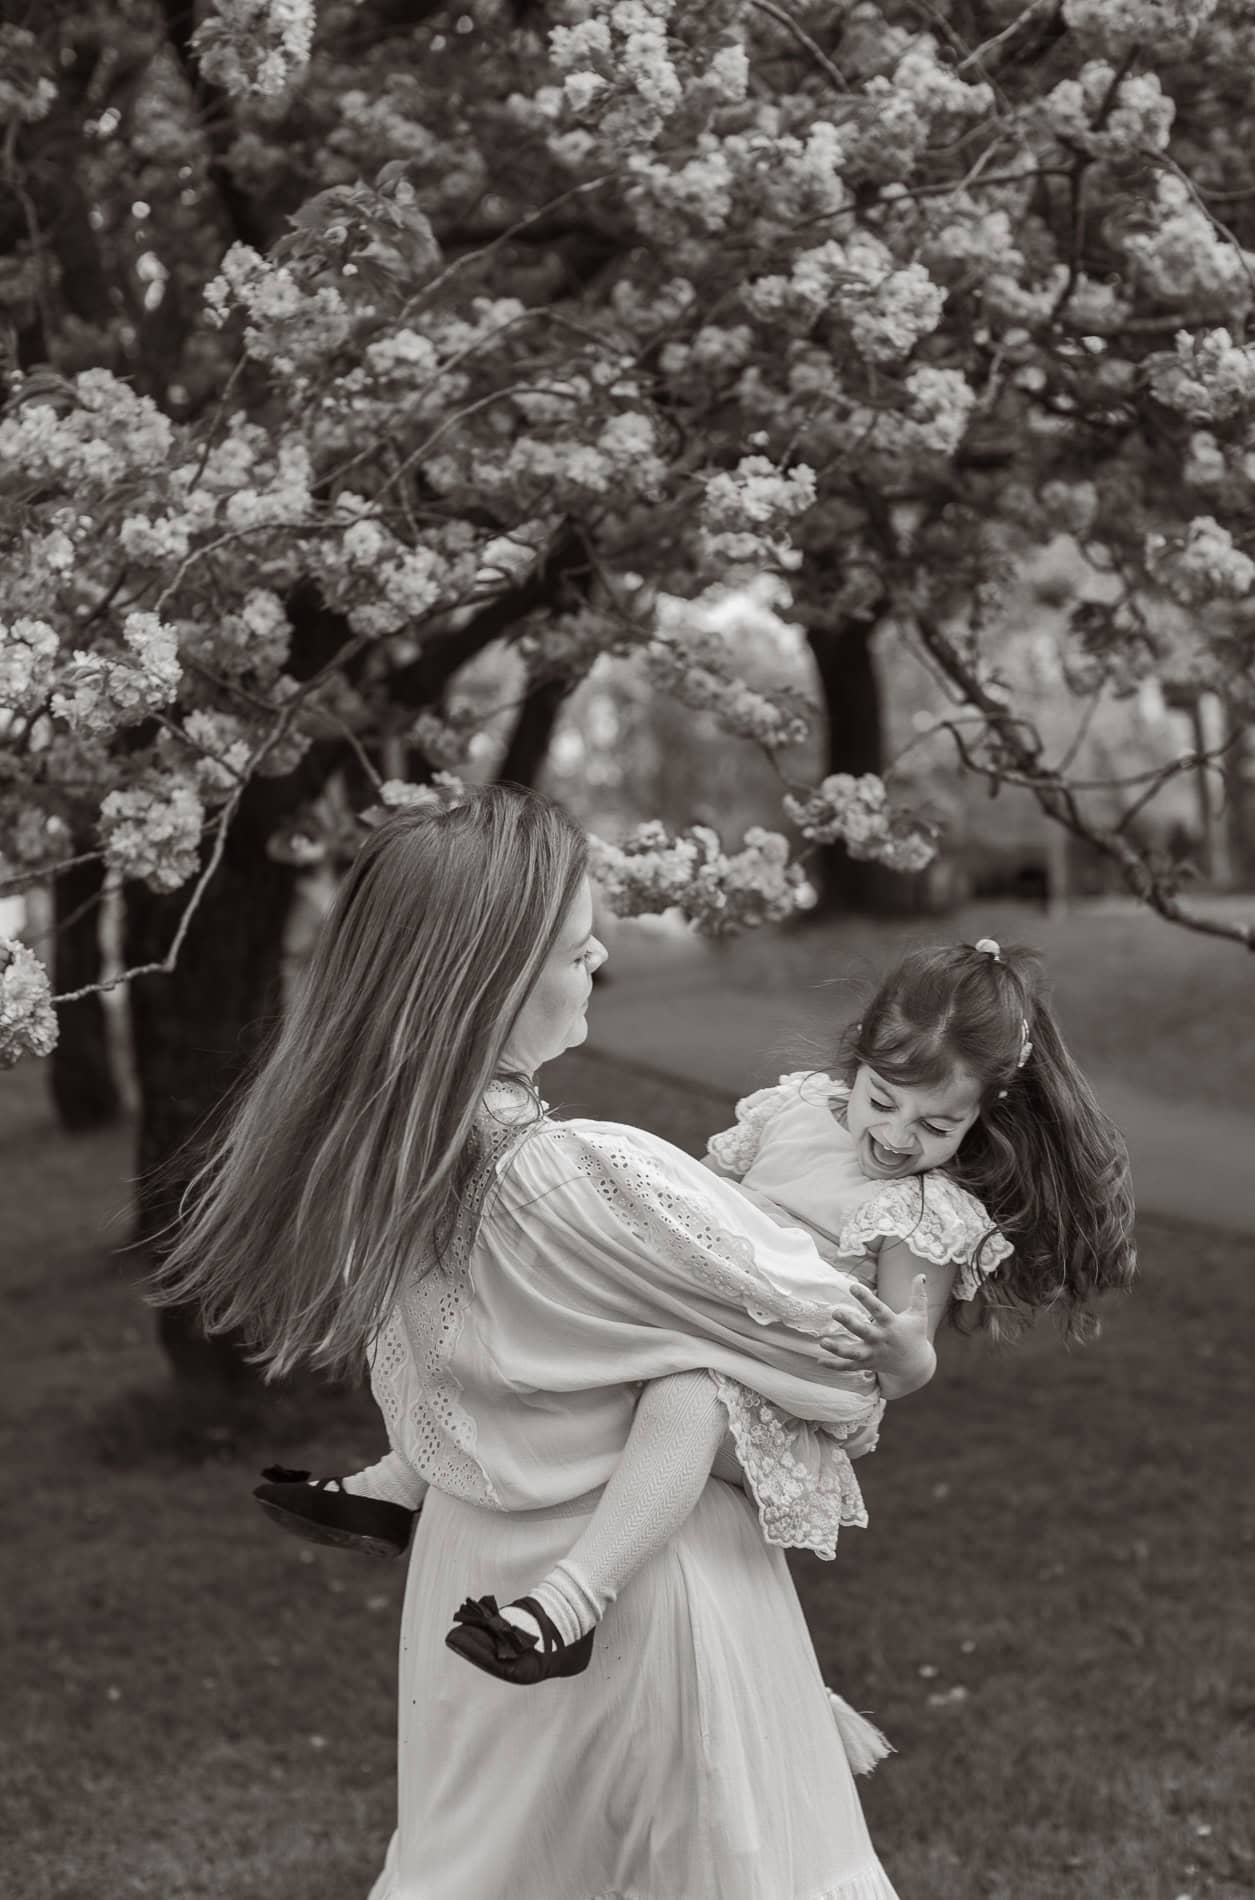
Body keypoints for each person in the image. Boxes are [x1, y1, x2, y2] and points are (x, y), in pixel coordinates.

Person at [150, 784, 907, 1900]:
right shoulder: (573, 1175)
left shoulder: (387, 1173)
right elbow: (838, 1360)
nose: (598, 955)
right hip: (633, 1594)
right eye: (570, 944)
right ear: (483, 982)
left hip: (475, 1577)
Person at [262, 935, 1136, 1689]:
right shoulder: (794, 1114)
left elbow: (903, 1368)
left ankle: (568, 1608)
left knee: (683, 1392)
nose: (899, 1137)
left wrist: (901, 1351)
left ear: (979, 1117)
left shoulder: (924, 1212)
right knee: (543, 1307)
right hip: (715, 1310)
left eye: (937, 1127)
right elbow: (700, 1199)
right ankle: (399, 1483)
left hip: (789, 1385)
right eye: (882, 1101)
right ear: (856, 1058)